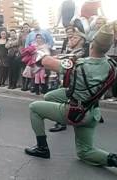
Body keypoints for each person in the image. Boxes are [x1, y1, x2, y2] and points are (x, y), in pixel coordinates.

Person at [24, 24, 117, 169]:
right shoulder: (112, 66)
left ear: (92, 44)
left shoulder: (79, 65)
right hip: (92, 113)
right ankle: (113, 160)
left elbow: (46, 62)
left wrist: (36, 53)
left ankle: (42, 148)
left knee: (34, 108)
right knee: (85, 152)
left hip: (74, 111)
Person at [49, 29, 86, 132]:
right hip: (67, 78)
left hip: (73, 80)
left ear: (81, 40)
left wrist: (55, 59)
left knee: (59, 100)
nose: (71, 39)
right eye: (71, 37)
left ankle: (61, 122)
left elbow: (67, 60)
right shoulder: (72, 51)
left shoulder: (80, 52)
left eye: (75, 38)